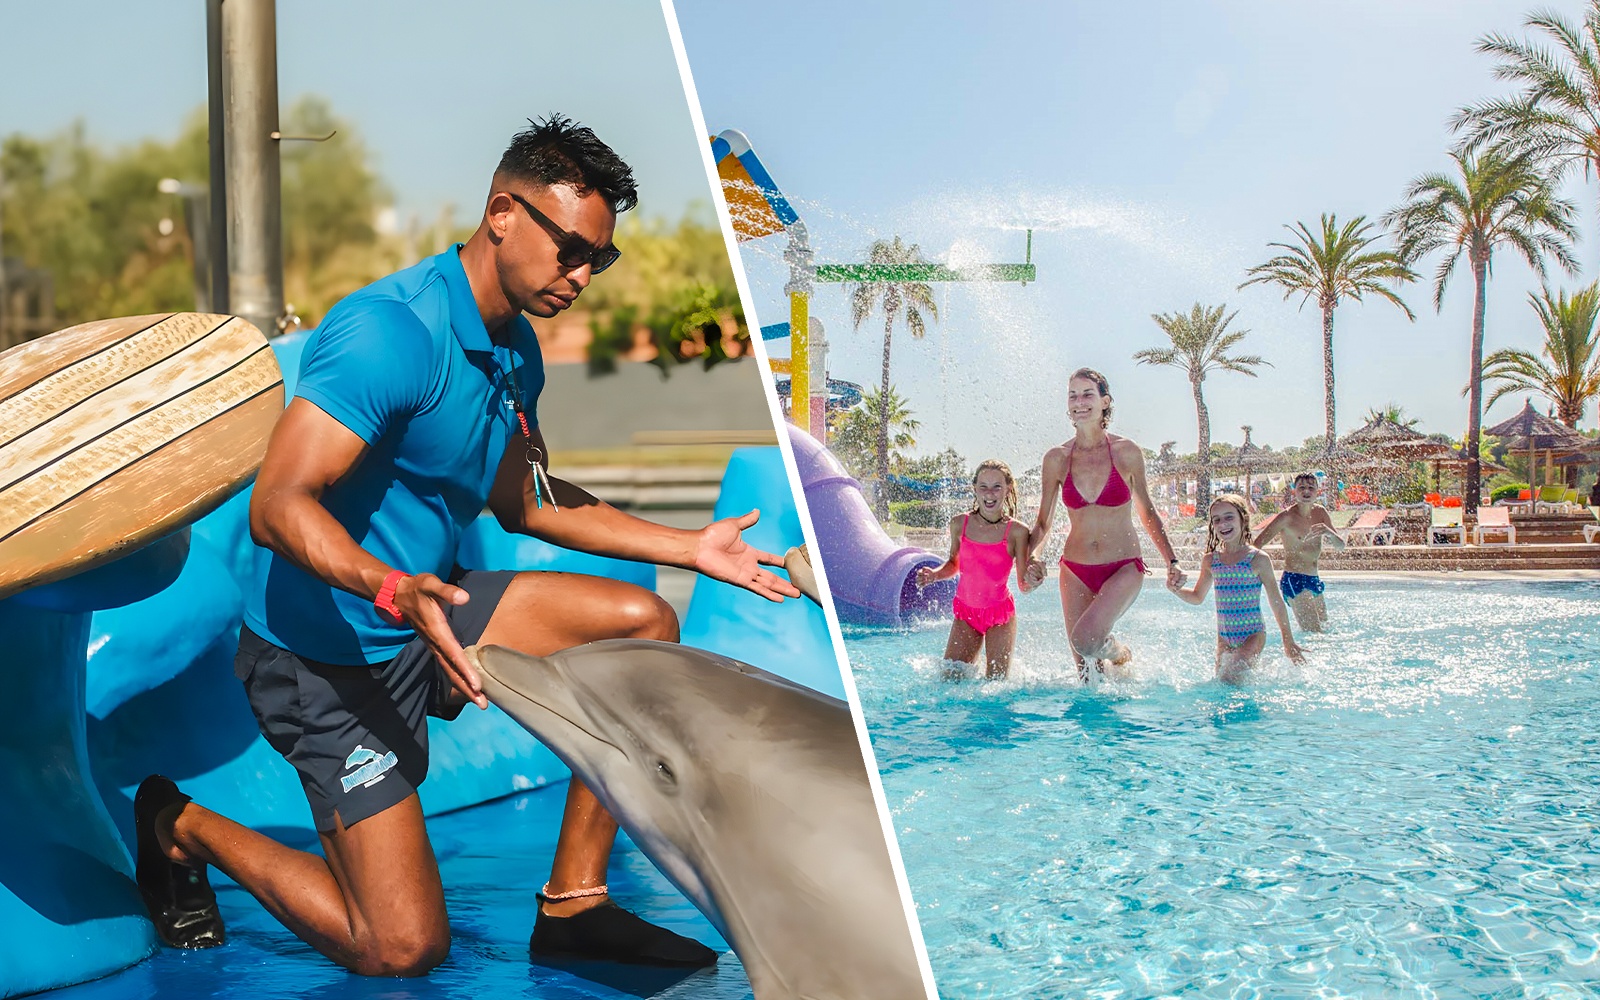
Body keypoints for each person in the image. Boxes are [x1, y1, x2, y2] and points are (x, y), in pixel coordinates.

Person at [131, 116, 799, 976]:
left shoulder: (516, 351)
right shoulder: (390, 333)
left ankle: (574, 909)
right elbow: (278, 505)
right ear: (502, 213)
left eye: (601, 257)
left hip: (431, 615)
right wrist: (393, 591)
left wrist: (688, 547)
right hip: (326, 656)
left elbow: (525, 501)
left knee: (638, 627)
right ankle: (179, 824)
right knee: (400, 948)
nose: (584, 274)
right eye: (571, 249)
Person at [1029, 368, 1185, 681]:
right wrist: (1032, 557)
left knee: (1085, 639)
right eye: (1073, 395)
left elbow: (1148, 512)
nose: (1079, 401)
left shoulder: (1126, 452)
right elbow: (1044, 521)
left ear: (1105, 401)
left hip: (1123, 567)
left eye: (1088, 394)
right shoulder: (1056, 458)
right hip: (1075, 570)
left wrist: (1172, 561)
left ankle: (1120, 654)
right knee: (1087, 675)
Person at [915, 460, 1044, 678]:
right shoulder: (960, 524)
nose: (989, 493)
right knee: (949, 678)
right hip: (966, 613)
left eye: (997, 487)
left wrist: (1033, 581)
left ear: (1008, 489)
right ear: (974, 489)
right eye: (983, 486)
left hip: (999, 615)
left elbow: (1023, 584)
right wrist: (934, 575)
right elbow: (954, 564)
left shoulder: (1017, 532)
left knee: (995, 685)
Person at [1166, 494, 1307, 683]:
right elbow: (1197, 597)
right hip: (1224, 637)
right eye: (1217, 520)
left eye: (1229, 517)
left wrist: (1288, 641)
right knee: (1223, 683)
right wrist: (1175, 589)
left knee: (1228, 680)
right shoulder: (1211, 561)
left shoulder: (1258, 559)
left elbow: (1276, 602)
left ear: (1243, 518)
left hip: (1253, 634)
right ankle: (1264, 668)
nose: (1223, 523)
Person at [1252, 471, 1345, 632]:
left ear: (1317, 491)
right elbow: (1256, 544)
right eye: (1301, 487)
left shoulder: (1321, 513)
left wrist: (1328, 531)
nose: (1306, 491)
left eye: (1311, 487)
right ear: (1294, 491)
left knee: (1325, 629)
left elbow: (1340, 546)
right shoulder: (1286, 517)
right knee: (1315, 633)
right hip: (1294, 580)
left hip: (1314, 579)